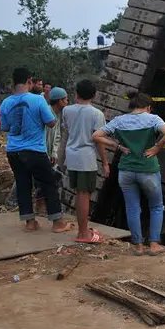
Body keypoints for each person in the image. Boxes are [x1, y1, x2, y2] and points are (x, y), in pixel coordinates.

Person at [93, 92, 165, 255]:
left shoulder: (119, 121)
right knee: (156, 206)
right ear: (148, 107)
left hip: (126, 171)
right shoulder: (153, 119)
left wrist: (117, 146)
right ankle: (154, 244)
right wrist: (157, 147)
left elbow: (96, 136)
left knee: (132, 207)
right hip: (148, 170)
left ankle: (138, 245)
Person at [0, 67, 73, 233]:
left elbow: (4, 127)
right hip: (34, 150)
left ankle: (30, 223)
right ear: (29, 81)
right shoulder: (37, 100)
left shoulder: (6, 102)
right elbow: (51, 122)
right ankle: (57, 223)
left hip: (13, 151)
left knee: (23, 185)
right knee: (49, 183)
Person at [59, 80, 108, 243]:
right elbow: (99, 141)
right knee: (84, 195)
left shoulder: (67, 110)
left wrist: (61, 160)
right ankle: (83, 233)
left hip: (72, 157)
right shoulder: (97, 114)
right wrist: (106, 162)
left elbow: (65, 135)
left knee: (79, 193)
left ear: (76, 93)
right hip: (86, 159)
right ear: (94, 95)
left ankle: (83, 229)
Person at [35, 87, 68, 215]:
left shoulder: (57, 116)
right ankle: (41, 208)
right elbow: (41, 135)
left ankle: (45, 207)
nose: (67, 102)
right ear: (59, 100)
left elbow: (57, 136)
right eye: (65, 99)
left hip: (49, 154)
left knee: (51, 179)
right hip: (41, 153)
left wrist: (54, 152)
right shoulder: (47, 112)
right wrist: (45, 153)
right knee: (43, 181)